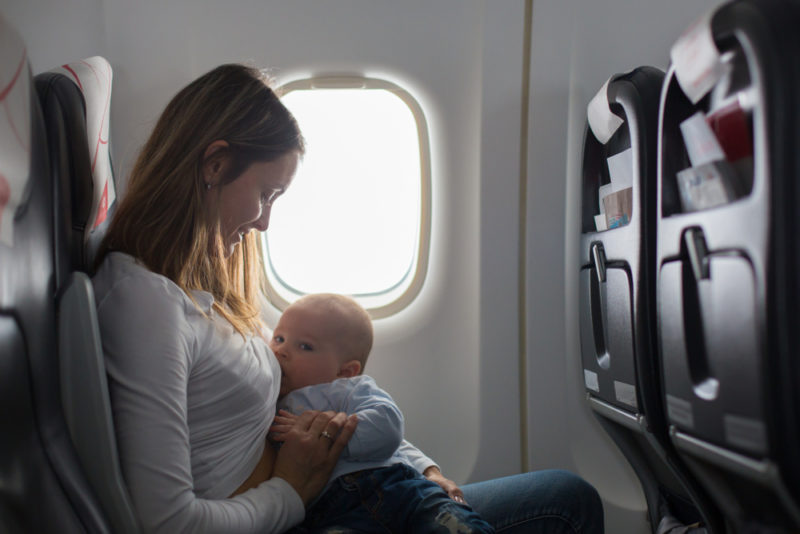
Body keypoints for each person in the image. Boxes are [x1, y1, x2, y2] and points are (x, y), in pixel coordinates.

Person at [92, 62, 604, 534]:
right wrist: (290, 492)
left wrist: (422, 466)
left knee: (568, 497)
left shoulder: (207, 293)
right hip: (303, 514)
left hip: (337, 493)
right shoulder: (146, 303)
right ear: (215, 165)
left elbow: (335, 404)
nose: (264, 221)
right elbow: (166, 523)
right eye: (266, 194)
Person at [268, 293, 494, 533]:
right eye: (279, 338)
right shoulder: (269, 396)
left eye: (305, 346)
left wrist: (325, 435)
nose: (281, 350)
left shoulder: (347, 390)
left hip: (394, 486)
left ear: (345, 371)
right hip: (332, 510)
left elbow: (387, 425)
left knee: (453, 524)